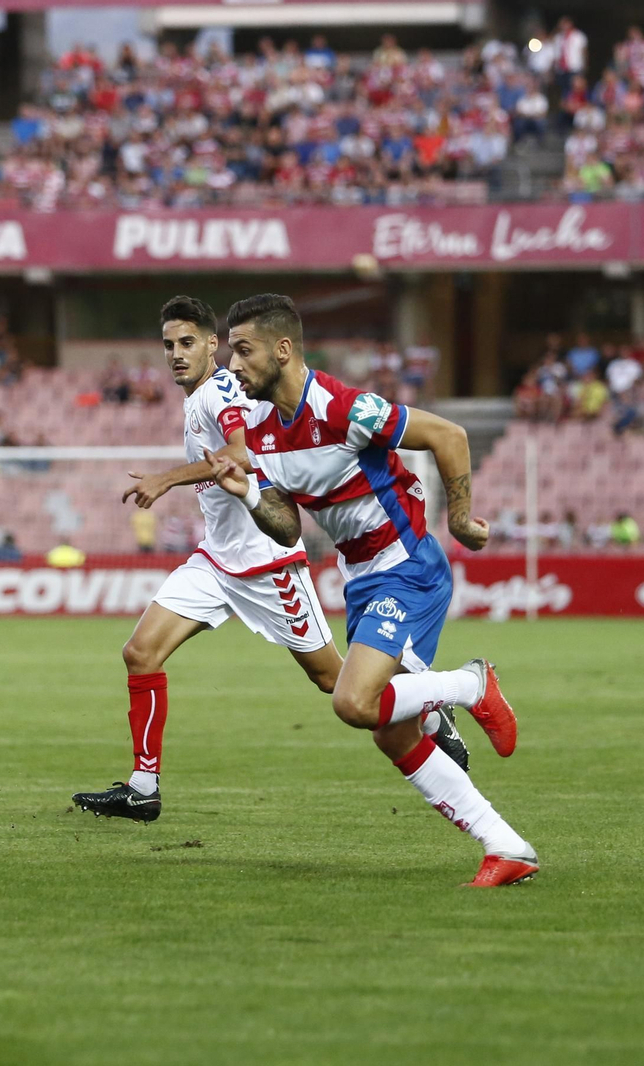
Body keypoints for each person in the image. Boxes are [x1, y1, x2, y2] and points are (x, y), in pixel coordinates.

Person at [75, 297, 470, 824]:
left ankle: (429, 709)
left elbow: (239, 452)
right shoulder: (196, 398)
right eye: (168, 344)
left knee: (337, 683)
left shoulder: (219, 392)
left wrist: (165, 479)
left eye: (187, 342)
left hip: (268, 561)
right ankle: (143, 787)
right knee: (140, 653)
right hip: (217, 557)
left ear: (213, 346)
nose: (175, 354)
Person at [208, 293, 535, 887]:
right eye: (232, 351)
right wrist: (250, 494)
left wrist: (460, 518)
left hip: (407, 566)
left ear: (283, 350)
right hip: (360, 581)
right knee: (389, 730)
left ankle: (471, 684)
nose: (234, 364)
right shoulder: (259, 432)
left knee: (354, 703)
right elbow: (287, 527)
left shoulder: (344, 407)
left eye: (244, 350)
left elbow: (451, 436)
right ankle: (506, 846)